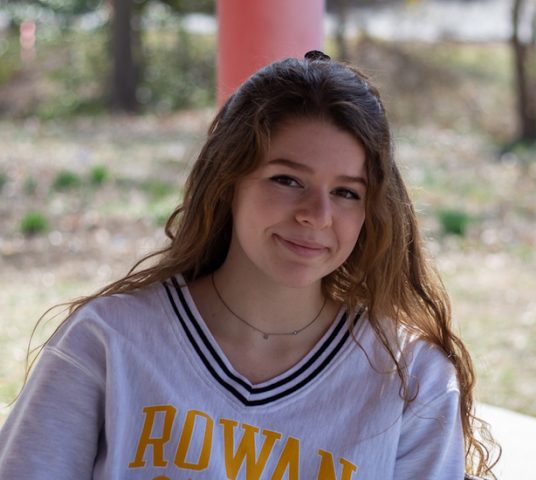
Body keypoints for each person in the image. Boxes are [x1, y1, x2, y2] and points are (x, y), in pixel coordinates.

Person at [0, 50, 496, 479]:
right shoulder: (109, 340)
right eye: (287, 179)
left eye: (346, 192)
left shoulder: (412, 380)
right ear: (228, 180)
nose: (317, 215)